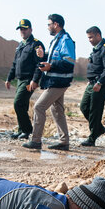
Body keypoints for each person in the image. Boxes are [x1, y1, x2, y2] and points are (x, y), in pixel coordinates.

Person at [22, 14, 76, 151]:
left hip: (59, 81)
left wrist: (50, 66)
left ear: (56, 25)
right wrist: (43, 56)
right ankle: (64, 142)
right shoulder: (57, 40)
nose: (48, 27)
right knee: (57, 110)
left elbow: (69, 63)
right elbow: (55, 59)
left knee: (39, 107)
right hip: (55, 80)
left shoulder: (65, 40)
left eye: (49, 24)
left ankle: (36, 140)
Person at [5, 19, 46, 140]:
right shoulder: (20, 45)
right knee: (22, 105)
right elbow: (15, 64)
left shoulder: (36, 44)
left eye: (25, 29)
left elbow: (40, 64)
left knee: (18, 103)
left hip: (28, 81)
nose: (22, 31)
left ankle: (27, 130)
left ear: (31, 29)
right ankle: (21, 129)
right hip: (19, 80)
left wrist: (34, 80)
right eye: (21, 29)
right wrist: (9, 78)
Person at [79, 26, 105, 147]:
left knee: (95, 111)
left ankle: (92, 138)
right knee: (84, 107)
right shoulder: (95, 49)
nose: (89, 40)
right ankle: (98, 128)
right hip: (91, 83)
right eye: (88, 37)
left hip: (100, 84)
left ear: (98, 35)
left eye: (91, 37)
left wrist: (99, 82)